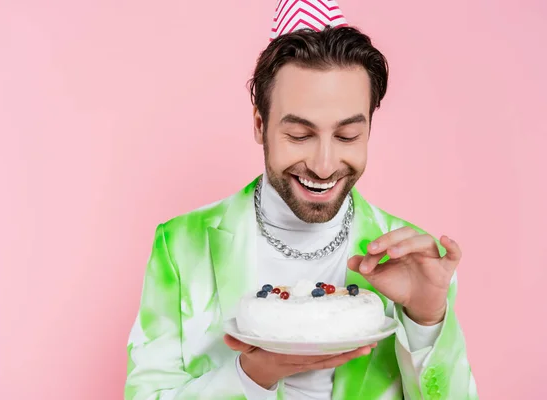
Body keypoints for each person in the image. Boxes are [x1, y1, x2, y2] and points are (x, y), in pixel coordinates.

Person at [124, 1, 478, 399]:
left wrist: (427, 321)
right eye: (299, 135)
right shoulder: (182, 245)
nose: (324, 165)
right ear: (261, 125)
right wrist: (251, 375)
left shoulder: (412, 259)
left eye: (347, 136)